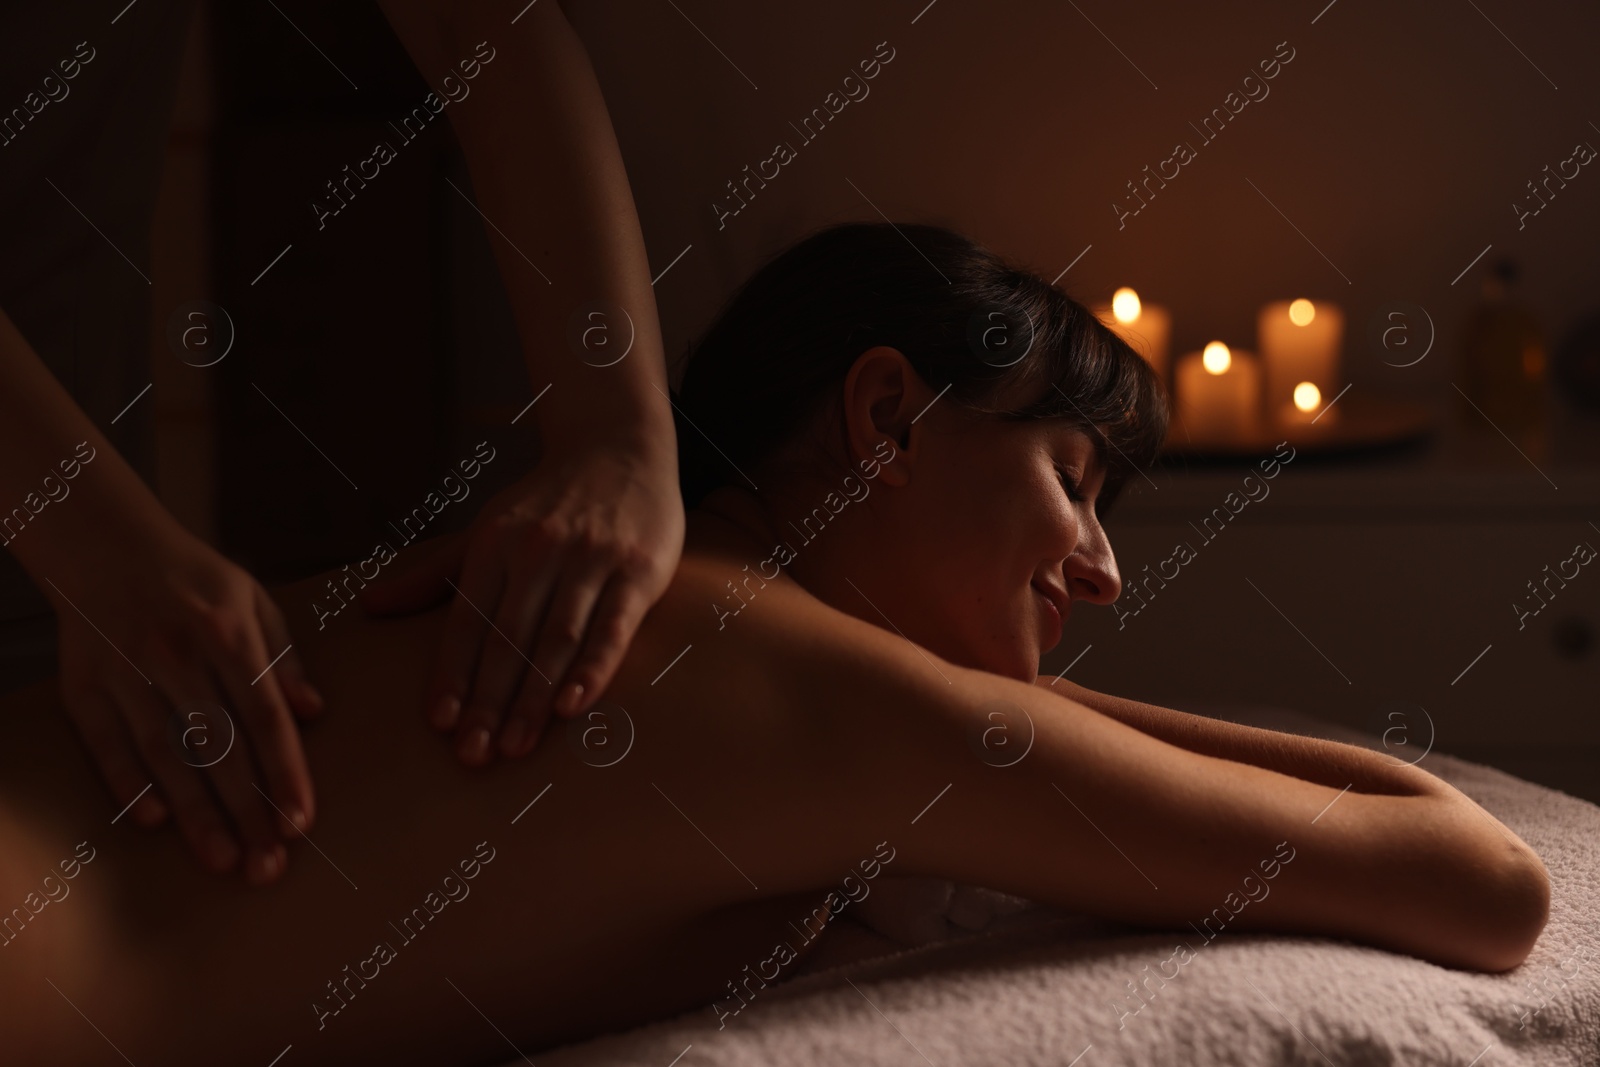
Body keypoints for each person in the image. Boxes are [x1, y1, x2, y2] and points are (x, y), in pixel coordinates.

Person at [0, 224, 1549, 1066]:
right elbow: (1478, 881)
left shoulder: (637, 615)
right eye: (1072, 480)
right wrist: (1012, 706)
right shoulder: (820, 683)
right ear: (886, 419)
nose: (1102, 571)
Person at [0, 0, 685, 886]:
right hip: (96, 583)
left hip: (88, 632)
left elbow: (471, 20)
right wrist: (95, 549)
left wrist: (618, 433)